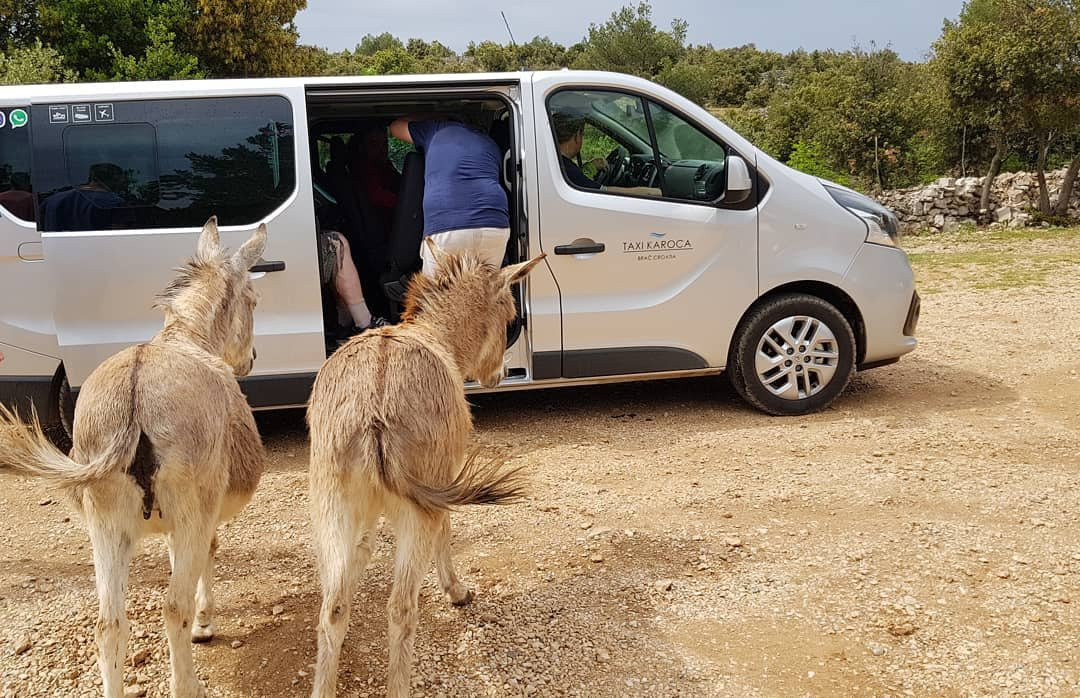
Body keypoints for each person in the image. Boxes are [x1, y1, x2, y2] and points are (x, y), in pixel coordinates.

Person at [389, 116, 509, 276]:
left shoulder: (435, 129)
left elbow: (395, 127)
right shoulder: (489, 143)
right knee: (486, 291)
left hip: (448, 225)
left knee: (438, 295)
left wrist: (422, 116)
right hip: (494, 225)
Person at [550, 112, 661, 197]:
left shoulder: (556, 163)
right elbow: (608, 193)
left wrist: (591, 166)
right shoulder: (568, 171)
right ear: (577, 137)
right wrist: (653, 192)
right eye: (582, 134)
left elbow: (579, 179)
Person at [41, 163, 132, 232]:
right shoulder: (116, 203)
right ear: (113, 180)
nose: (123, 184)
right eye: (121, 180)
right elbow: (119, 235)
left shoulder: (53, 200)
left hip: (58, 250)